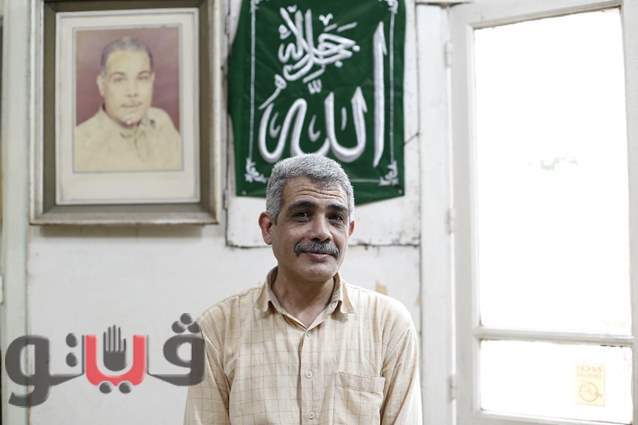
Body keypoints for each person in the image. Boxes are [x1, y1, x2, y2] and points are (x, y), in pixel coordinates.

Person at [184, 155, 422, 424]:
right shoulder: (218, 328)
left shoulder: (388, 324)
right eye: (302, 215)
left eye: (335, 218)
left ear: (350, 230)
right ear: (268, 228)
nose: (322, 232)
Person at [74, 36, 182, 172]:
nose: (132, 92)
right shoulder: (78, 145)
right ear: (102, 85)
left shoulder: (161, 122)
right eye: (119, 79)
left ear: (152, 81)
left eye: (142, 78)